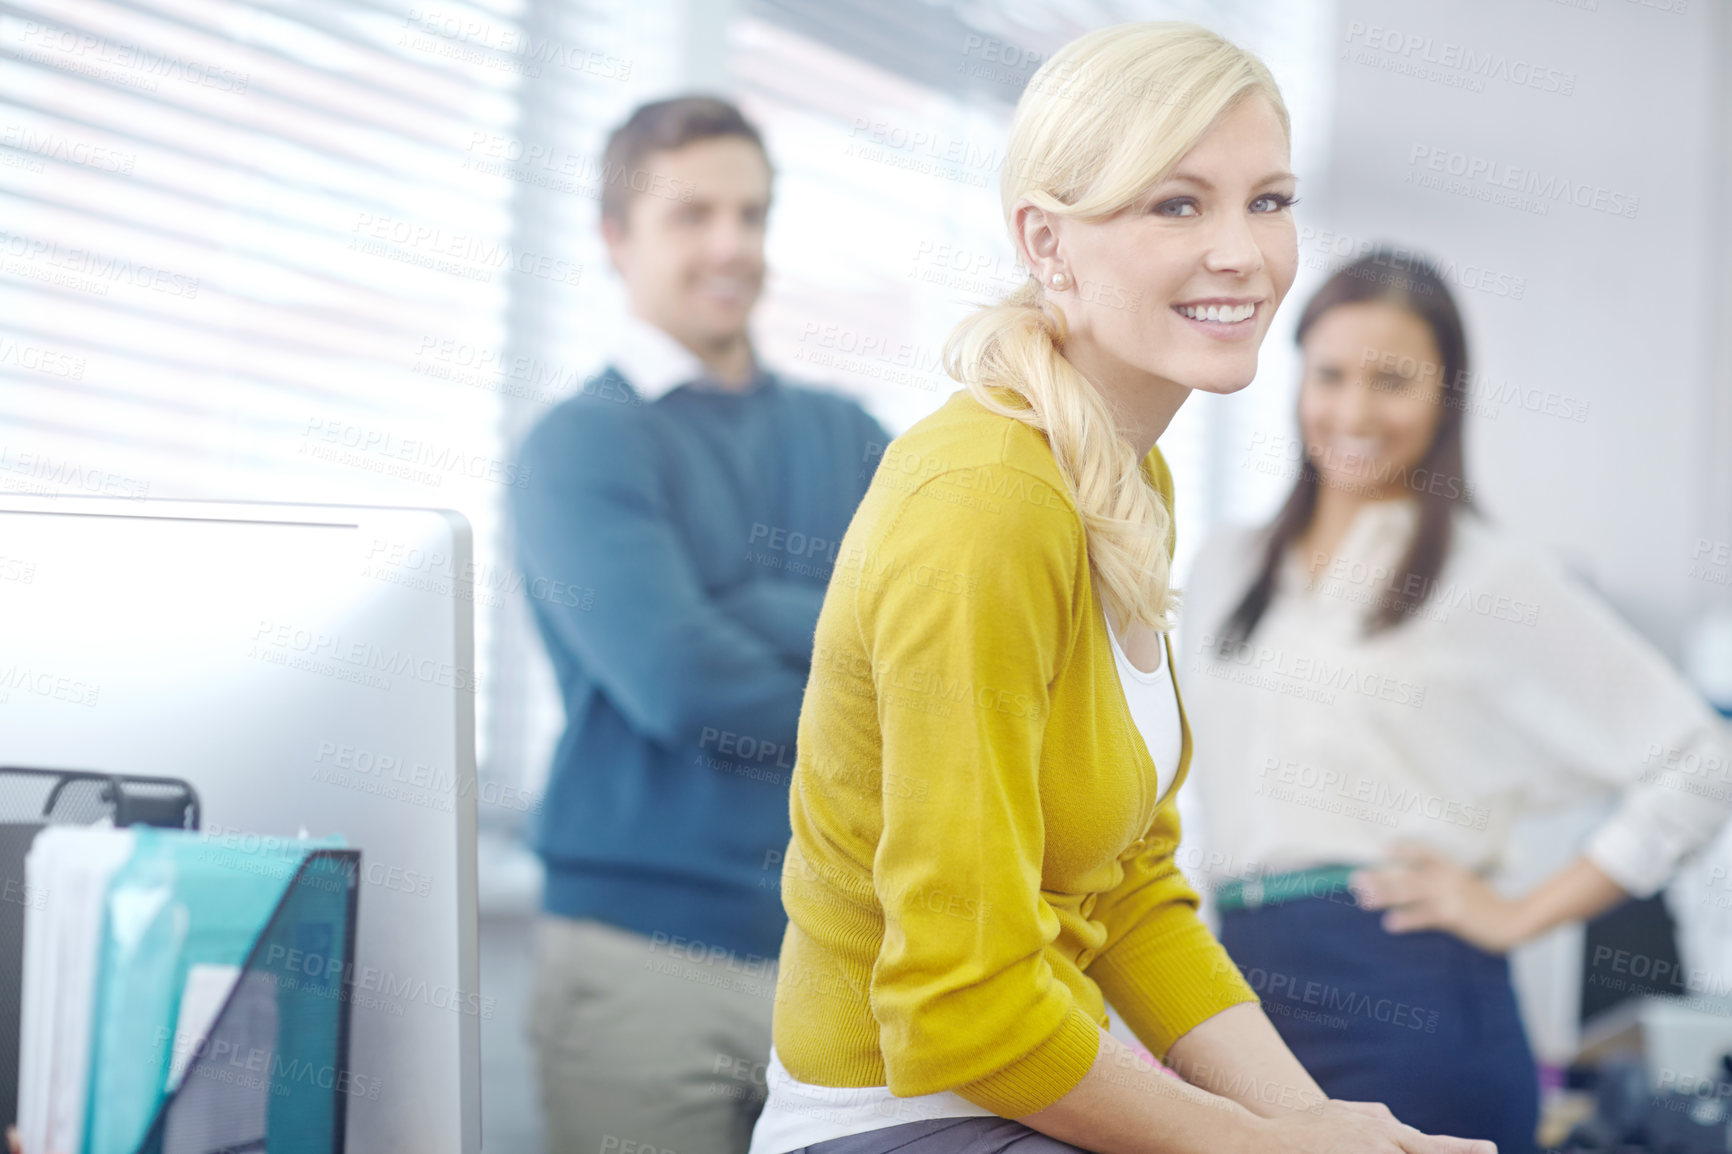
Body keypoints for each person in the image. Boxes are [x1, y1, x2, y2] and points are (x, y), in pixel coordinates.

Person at [748, 24, 1490, 1154]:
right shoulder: (986, 504)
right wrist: (1258, 1144)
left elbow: (1132, 887)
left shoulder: (1121, 476)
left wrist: (1325, 1126)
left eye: (1270, 200)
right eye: (1176, 205)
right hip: (900, 1119)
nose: (1242, 251)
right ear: (1047, 242)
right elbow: (962, 1008)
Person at [1181, 250, 1732, 1153]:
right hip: (1239, 1002)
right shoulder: (1225, 564)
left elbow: (1700, 760)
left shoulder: (1492, 579)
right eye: (1331, 375)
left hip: (1411, 1007)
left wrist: (1518, 913)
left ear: (1447, 397)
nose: (1354, 412)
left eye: (1392, 381)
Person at [510, 96, 891, 1154]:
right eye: (692, 216)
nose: (731, 245)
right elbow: (683, 682)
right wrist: (842, 645)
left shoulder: (851, 436)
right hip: (643, 961)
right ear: (615, 238)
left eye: (751, 214)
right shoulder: (581, 446)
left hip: (843, 956)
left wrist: (745, 605)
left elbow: (936, 649)